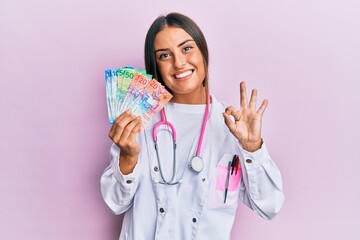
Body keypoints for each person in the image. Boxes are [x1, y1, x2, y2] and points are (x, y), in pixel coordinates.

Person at [101, 12, 284, 240]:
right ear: (155, 65)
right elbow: (114, 203)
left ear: (203, 52)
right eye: (164, 55)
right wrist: (127, 157)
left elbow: (270, 206)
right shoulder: (139, 121)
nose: (179, 63)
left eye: (186, 48)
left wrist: (253, 147)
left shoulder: (231, 126)